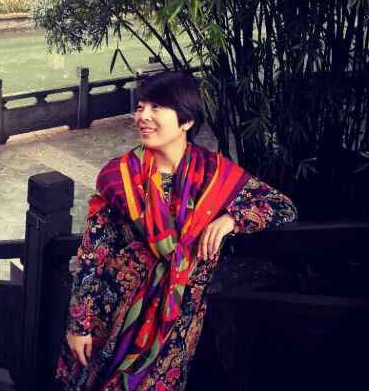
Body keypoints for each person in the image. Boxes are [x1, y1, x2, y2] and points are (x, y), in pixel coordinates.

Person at [54, 70, 298, 391]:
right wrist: (79, 325)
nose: (143, 117)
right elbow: (92, 255)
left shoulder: (214, 175)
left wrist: (231, 219)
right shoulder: (121, 176)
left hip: (177, 322)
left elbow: (281, 207)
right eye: (140, 107)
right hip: (113, 317)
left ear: (186, 120)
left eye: (156, 107)